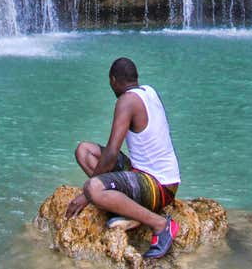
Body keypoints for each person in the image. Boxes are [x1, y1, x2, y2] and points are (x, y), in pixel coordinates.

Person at [65, 57, 181, 259]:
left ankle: (161, 225)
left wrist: (87, 195)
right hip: (157, 177)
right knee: (84, 150)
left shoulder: (126, 101)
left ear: (113, 80)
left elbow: (110, 154)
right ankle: (127, 209)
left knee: (93, 187)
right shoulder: (149, 92)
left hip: (158, 187)